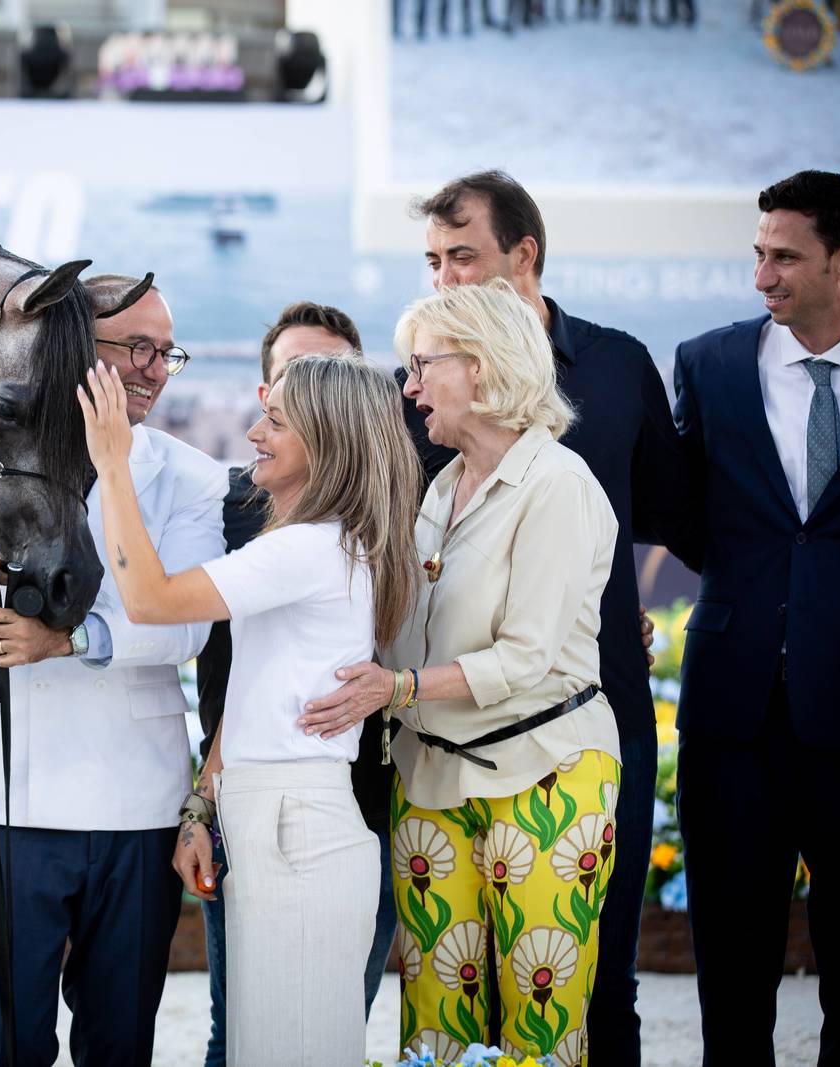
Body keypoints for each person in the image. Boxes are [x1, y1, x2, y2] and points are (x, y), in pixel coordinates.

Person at [315, 170, 682, 1065]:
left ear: (480, 368)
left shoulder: (558, 483)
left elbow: (526, 658)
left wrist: (396, 686)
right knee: (437, 1034)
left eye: (424, 366)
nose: (408, 386)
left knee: (542, 1034)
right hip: (431, 785)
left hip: (543, 781)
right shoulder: (438, 486)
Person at [0, 277, 226, 1067]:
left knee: (120, 1036)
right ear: (73, 350)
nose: (155, 368)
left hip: (137, 800)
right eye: (138, 347)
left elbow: (187, 626)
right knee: (7, 1036)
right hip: (13, 794)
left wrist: (63, 642)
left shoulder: (193, 477)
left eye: (167, 352)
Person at [79, 350, 418, 1066]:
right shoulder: (316, 546)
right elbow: (250, 693)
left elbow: (149, 600)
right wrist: (203, 807)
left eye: (277, 421)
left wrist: (112, 465)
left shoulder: (311, 549)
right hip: (278, 819)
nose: (254, 433)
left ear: (326, 443)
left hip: (299, 828)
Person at [669, 171, 840, 1066]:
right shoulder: (709, 363)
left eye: (784, 258)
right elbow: (684, 513)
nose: (761, 276)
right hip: (732, 716)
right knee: (731, 979)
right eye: (758, 253)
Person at [192, 299, 399, 1066]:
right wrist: (200, 805)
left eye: (332, 376)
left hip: (361, 805)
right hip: (249, 801)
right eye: (290, 385)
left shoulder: (391, 514)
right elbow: (232, 676)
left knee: (325, 1030)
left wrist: (400, 684)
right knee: (242, 1034)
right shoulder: (238, 505)